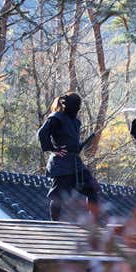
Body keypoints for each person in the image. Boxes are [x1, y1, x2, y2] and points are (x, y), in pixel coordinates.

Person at [37, 92, 100, 221]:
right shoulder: (56, 118)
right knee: (58, 196)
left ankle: (95, 222)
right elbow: (42, 133)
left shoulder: (75, 121)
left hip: (75, 163)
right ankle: (54, 224)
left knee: (92, 188)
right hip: (61, 163)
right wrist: (53, 149)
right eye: (76, 106)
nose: (78, 109)